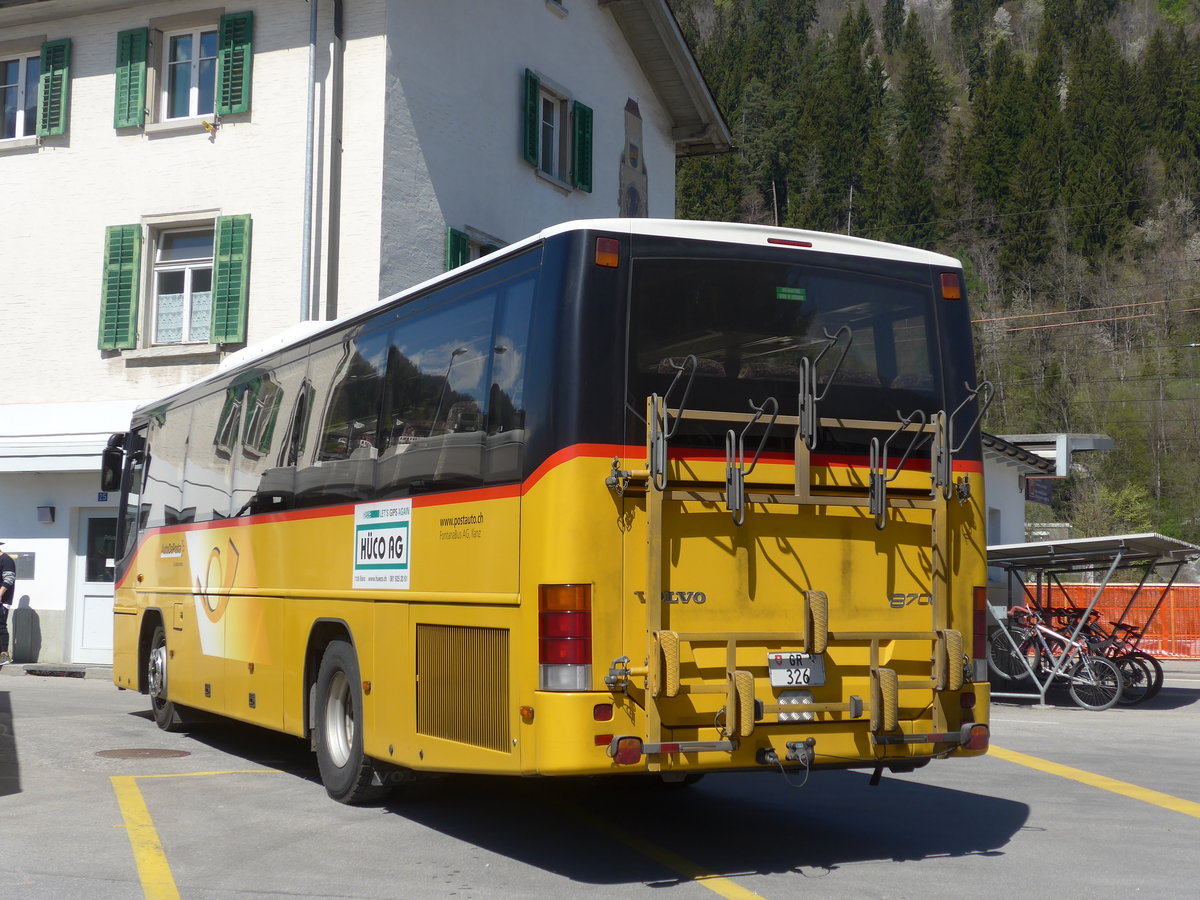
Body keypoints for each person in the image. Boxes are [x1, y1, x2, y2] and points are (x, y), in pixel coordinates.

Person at [0, 541, 14, 665]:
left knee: (1, 626)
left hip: (2, 600)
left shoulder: (6, 560)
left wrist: (0, 594)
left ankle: (4, 655)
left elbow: (9, 579)